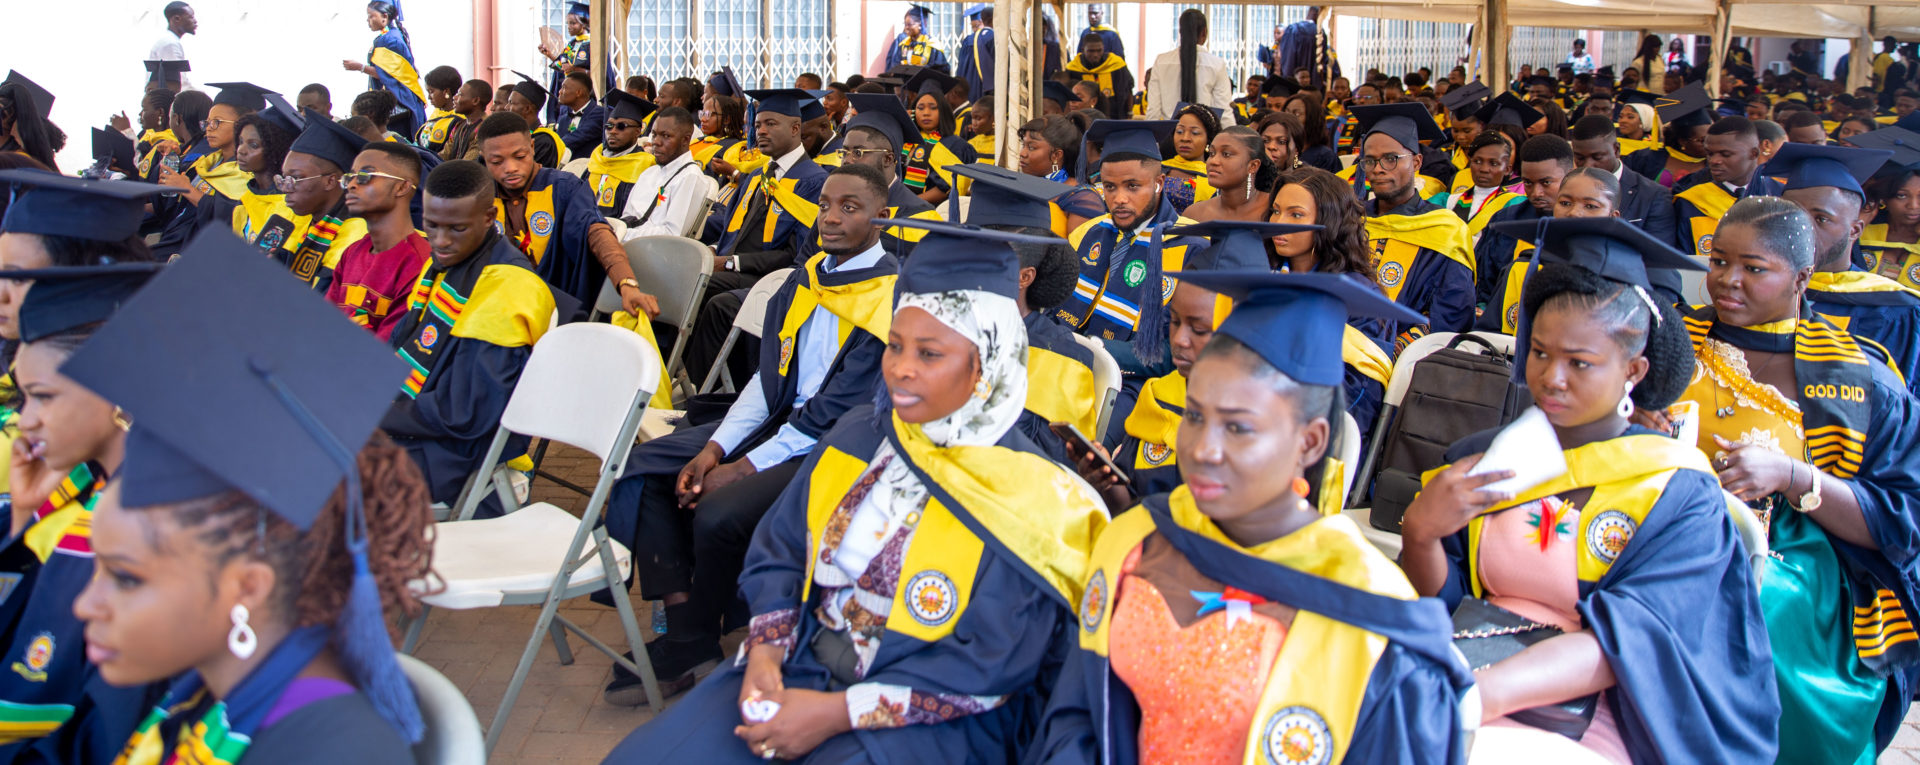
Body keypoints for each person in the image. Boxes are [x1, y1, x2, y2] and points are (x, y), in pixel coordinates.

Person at [604, 218, 1106, 763]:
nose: (901, 371)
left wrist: (832, 715)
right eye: (894, 346)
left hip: (929, 719)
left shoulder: (1041, 500)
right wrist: (766, 657)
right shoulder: (856, 438)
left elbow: (989, 666)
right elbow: (782, 549)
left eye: (930, 354)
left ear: (987, 364)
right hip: (803, 665)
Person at [1031, 269, 1470, 765]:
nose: (1203, 449)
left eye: (1238, 427)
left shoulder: (1370, 610)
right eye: (1195, 416)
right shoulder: (1136, 540)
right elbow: (1078, 716)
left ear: (1311, 441)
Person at [1404, 216, 1776, 762]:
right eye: (1541, 353)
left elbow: (1638, 643)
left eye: (1581, 363)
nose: (1552, 378)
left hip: (1611, 705)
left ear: (1633, 370)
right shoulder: (1482, 460)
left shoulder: (1674, 490)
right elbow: (1449, 604)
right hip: (1467, 666)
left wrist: (1479, 697)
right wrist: (1420, 536)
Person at [61, 230, 439, 764]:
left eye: (124, 576)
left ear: (248, 587)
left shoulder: (329, 752)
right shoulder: (205, 688)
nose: (83, 605)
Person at [600, 165, 903, 706]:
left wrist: (744, 466)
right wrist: (715, 449)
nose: (830, 217)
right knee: (648, 466)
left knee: (719, 511)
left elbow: (834, 412)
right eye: (826, 204)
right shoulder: (805, 278)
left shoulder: (889, 300)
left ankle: (692, 636)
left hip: (836, 443)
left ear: (881, 217)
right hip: (779, 420)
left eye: (850, 207)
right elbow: (766, 385)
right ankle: (688, 625)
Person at [1641, 198, 1920, 763]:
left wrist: (1792, 475)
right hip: (1649, 526)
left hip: (1789, 561)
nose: (1727, 281)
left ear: (1802, 277)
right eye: (1718, 261)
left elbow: (1905, 516)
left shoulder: (1862, 380)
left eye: (1753, 268)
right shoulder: (1665, 341)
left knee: (1752, 602)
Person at [379, 159, 555, 504]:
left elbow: (465, 411)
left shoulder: (507, 287)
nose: (440, 241)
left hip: (454, 454)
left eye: (456, 228)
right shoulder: (446, 264)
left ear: (490, 217)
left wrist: (375, 412)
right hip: (417, 427)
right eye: (431, 225)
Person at [1056, 121, 1208, 379]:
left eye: (1133, 186)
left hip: (1131, 381)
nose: (1119, 199)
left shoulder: (1190, 248)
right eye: (1110, 187)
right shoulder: (1091, 232)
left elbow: (1174, 352)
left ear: (1159, 182)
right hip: (1066, 362)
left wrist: (1095, 350)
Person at [473, 111, 656, 320]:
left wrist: (626, 282)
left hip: (552, 307)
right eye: (496, 161)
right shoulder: (479, 197)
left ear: (532, 148)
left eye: (519, 156)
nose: (510, 168)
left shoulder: (564, 187)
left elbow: (596, 231)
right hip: (495, 306)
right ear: (484, 159)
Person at [1767, 142, 1920, 392]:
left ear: (1855, 230)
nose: (1802, 229)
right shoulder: (1759, 288)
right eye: (1792, 215)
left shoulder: (1894, 309)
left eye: (1821, 219)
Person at [1266, 167, 1397, 438]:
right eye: (1276, 211)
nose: (1279, 222)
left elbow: (1355, 396)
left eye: (1296, 214)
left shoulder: (1360, 299)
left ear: (1330, 222)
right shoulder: (1264, 277)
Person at [1350, 103, 1475, 348]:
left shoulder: (1445, 229)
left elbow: (1452, 313)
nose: (1378, 170)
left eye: (1391, 159)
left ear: (1417, 162)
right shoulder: (1352, 220)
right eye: (1370, 161)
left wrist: (1394, 351)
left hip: (1409, 361)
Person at [702, 89, 830, 303]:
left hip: (766, 279)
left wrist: (731, 263)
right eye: (758, 125)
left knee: (697, 285)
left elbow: (793, 254)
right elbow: (732, 232)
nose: (761, 131)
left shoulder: (814, 182)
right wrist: (713, 250)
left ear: (795, 128)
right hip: (729, 271)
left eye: (770, 124)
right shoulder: (755, 177)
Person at [1567, 115, 1681, 298]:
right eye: (1580, 158)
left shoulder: (1652, 196)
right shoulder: (1568, 190)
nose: (1588, 166)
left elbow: (1659, 262)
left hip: (1634, 293)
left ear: (1616, 149)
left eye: (1597, 157)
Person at [257, 115, 373, 292]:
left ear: (330, 181)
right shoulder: (296, 221)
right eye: (283, 178)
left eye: (295, 178)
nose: (285, 188)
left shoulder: (357, 236)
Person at [329, 142, 430, 340]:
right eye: (350, 177)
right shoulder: (353, 252)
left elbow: (385, 349)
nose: (351, 184)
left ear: (402, 186)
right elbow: (323, 320)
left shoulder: (420, 263)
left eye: (365, 176)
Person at [1475, 135, 1575, 327]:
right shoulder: (1505, 221)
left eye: (1546, 183)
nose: (1536, 193)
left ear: (1570, 175)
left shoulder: (1583, 224)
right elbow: (1484, 283)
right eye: (1528, 183)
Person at [1675, 117, 1783, 260]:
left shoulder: (1781, 196)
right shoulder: (1690, 202)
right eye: (1710, 154)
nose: (1714, 161)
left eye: (1725, 154)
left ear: (1754, 153)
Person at [617, 106, 706, 241]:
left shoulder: (690, 177)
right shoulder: (648, 173)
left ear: (685, 140)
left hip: (652, 254)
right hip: (625, 243)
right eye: (654, 134)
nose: (656, 142)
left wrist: (622, 235)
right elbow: (627, 217)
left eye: (666, 136)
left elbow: (671, 235)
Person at [342, 1, 426, 139]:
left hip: (399, 102)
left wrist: (360, 67)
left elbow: (387, 75)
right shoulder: (387, 36)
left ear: (384, 17)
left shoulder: (391, 40)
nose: (368, 20)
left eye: (371, 16)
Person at [1015, 113, 1105, 232]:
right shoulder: (1022, 186)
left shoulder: (1082, 198)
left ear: (1056, 155)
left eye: (1031, 147)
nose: (1022, 153)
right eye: (1023, 145)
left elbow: (1077, 249)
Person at [899, 70, 977, 206]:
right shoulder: (908, 142)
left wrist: (911, 203)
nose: (926, 113)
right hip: (902, 208)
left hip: (934, 213)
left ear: (943, 111)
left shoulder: (955, 145)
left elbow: (949, 185)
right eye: (920, 108)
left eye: (933, 108)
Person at [575, 88, 653, 218]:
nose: (613, 131)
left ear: (638, 131)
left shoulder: (645, 166)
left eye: (621, 126)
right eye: (609, 126)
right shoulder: (597, 160)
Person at [1856, 129, 1920, 288]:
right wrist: (1855, 228)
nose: (1913, 206)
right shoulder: (1863, 231)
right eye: (1901, 196)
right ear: (1884, 198)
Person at [1145, 9, 1230, 120]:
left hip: (1172, 133)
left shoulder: (1161, 61)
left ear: (1180, 32)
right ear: (1204, 32)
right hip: (1203, 134)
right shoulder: (1216, 64)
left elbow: (1153, 112)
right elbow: (1224, 113)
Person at [1623, 83, 1711, 188]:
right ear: (1683, 141)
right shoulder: (1644, 159)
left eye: (1712, 138)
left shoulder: (1715, 166)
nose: (1710, 145)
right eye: (1702, 140)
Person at [1182, 125, 1270, 224]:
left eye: (1226, 154)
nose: (1213, 161)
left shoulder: (1273, 209)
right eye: (1212, 153)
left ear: (1253, 166)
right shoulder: (1194, 214)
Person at [1445, 133, 1526, 237]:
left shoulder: (1514, 204)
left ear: (1507, 169)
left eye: (1494, 163)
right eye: (1477, 161)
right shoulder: (1449, 201)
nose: (1484, 169)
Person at [1160, 104, 1219, 215]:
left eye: (1195, 133)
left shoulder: (1215, 176)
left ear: (1208, 139)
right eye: (1179, 132)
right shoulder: (1157, 168)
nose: (1185, 138)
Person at [540, 2, 594, 123]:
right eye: (568, 23)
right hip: (567, 96)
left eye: (573, 23)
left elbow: (597, 72)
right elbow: (562, 66)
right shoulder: (571, 44)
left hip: (583, 97)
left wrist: (575, 69)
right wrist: (550, 54)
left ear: (584, 24)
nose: (569, 26)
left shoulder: (592, 45)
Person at [504, 71, 568, 169]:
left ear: (527, 109)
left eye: (511, 103)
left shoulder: (544, 141)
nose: (506, 107)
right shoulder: (527, 135)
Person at [1066, 33, 1134, 120]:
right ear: (1083, 49)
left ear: (1104, 49)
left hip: (1116, 117)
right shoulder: (1074, 68)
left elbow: (1128, 90)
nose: (1095, 55)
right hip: (1084, 118)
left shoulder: (1116, 65)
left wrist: (1129, 113)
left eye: (1099, 50)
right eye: (1091, 51)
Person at [554, 70, 608, 161]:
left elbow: (578, 137)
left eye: (564, 88)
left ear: (578, 92)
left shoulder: (599, 114)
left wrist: (550, 145)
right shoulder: (564, 119)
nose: (559, 92)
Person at [885, 5, 950, 75]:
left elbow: (941, 70)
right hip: (906, 82)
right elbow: (895, 66)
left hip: (925, 82)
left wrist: (920, 69)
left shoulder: (932, 45)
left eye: (909, 24)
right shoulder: (903, 44)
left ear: (921, 24)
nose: (906, 28)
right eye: (905, 24)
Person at [1282, 93, 1340, 172]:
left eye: (1296, 114)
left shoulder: (1325, 157)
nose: (1288, 118)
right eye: (1287, 112)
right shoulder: (1278, 150)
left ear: (1311, 119)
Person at [415, 65, 465, 154]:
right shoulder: (437, 113)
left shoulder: (460, 120)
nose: (429, 97)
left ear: (446, 92)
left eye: (431, 92)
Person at [440, 79, 492, 162]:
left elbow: (468, 162)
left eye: (460, 94)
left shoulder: (485, 128)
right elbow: (444, 155)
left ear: (475, 101)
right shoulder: (459, 126)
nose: (454, 97)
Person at [149, 2, 195, 91]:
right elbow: (179, 83)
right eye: (191, 17)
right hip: (165, 102)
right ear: (177, 19)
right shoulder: (170, 43)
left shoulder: (170, 41)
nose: (195, 21)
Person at [955, 5, 994, 109]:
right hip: (984, 88)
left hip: (970, 88)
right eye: (973, 27)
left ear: (983, 22)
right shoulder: (991, 38)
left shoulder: (969, 41)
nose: (975, 30)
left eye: (977, 26)